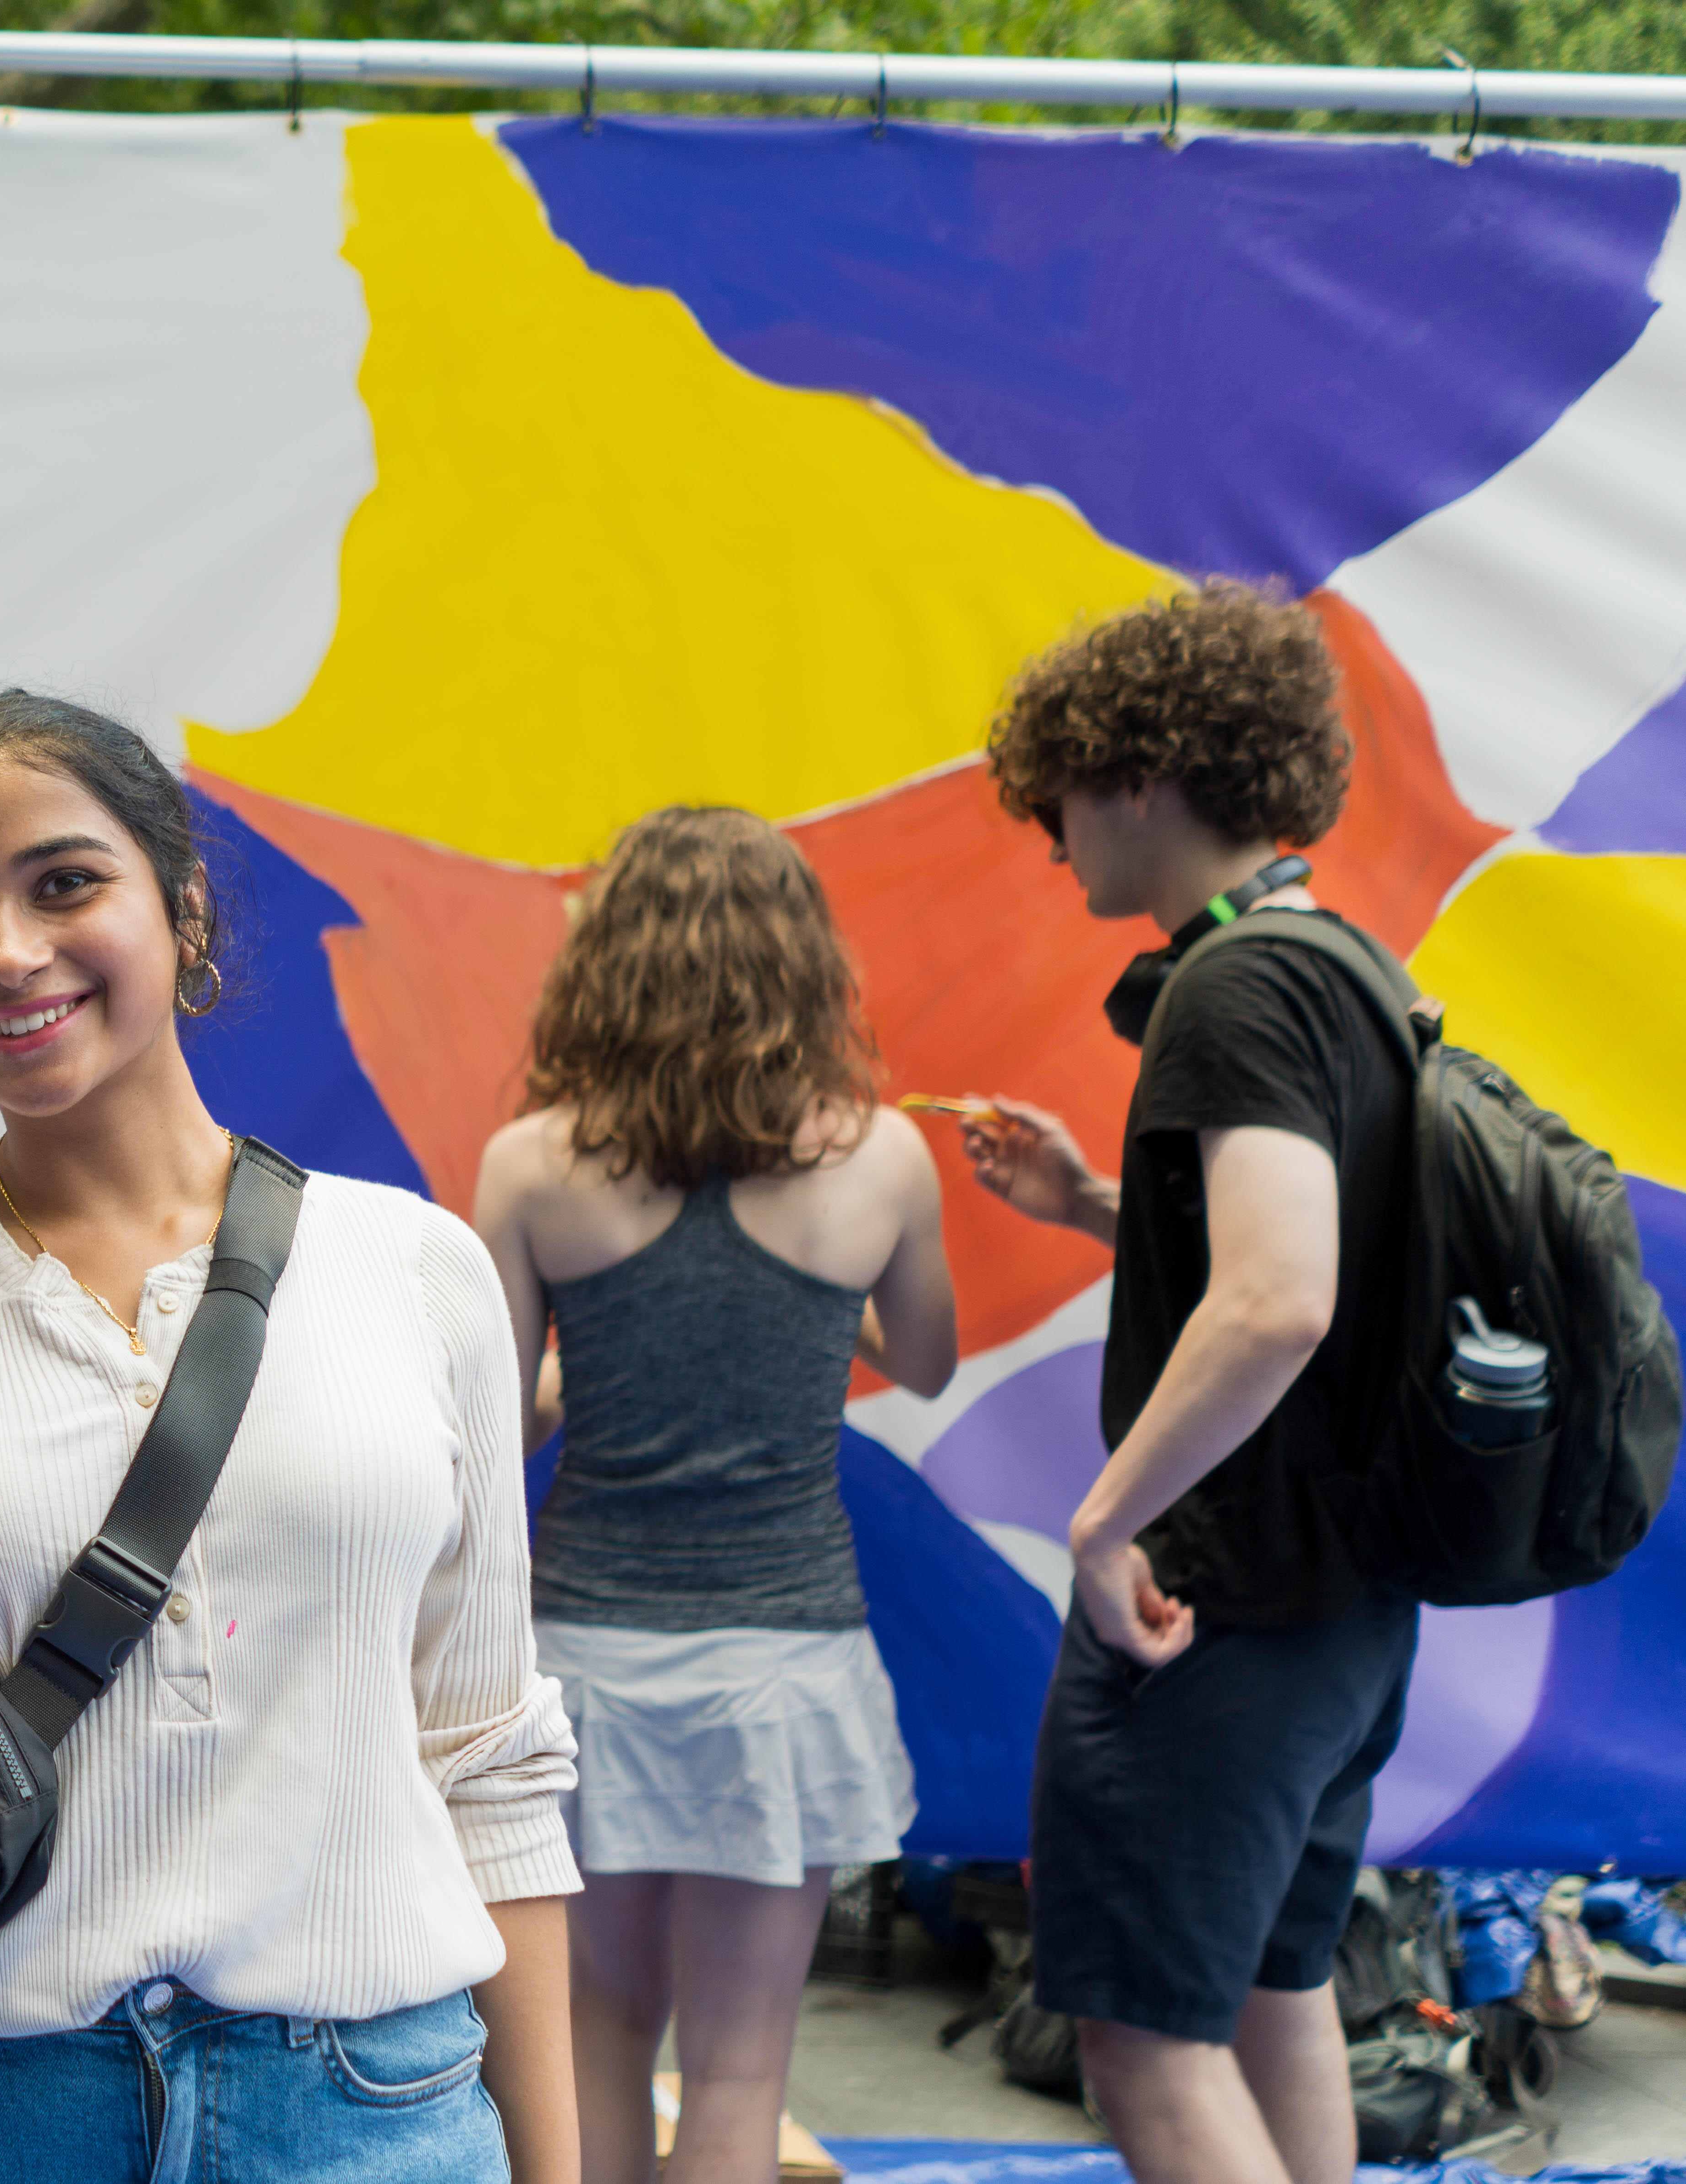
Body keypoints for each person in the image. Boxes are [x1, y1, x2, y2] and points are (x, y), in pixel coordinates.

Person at [0, 691, 581, 2184]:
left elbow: (488, 1757)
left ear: (184, 901)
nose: (10, 953)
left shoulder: (417, 1272)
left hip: (369, 2114)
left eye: (66, 883)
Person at [954, 583, 1404, 2184]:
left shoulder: (1232, 989)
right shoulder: (1346, 967)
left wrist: (1101, 1521)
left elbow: (1280, 1302)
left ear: (1140, 775)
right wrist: (1093, 1207)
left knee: (1144, 2037)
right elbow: (1311, 1266)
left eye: (1060, 796)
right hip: (1344, 1608)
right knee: (1277, 1989)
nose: (1051, 835)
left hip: (1214, 1608)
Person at [467, 805, 958, 2184]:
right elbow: (921, 1361)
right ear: (804, 964)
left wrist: (604, 1375)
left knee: (599, 2034)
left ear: (607, 963)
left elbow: (493, 1429)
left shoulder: (530, 1166)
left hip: (585, 1662)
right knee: (743, 2070)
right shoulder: (884, 1159)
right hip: (785, 1666)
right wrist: (807, 1322)